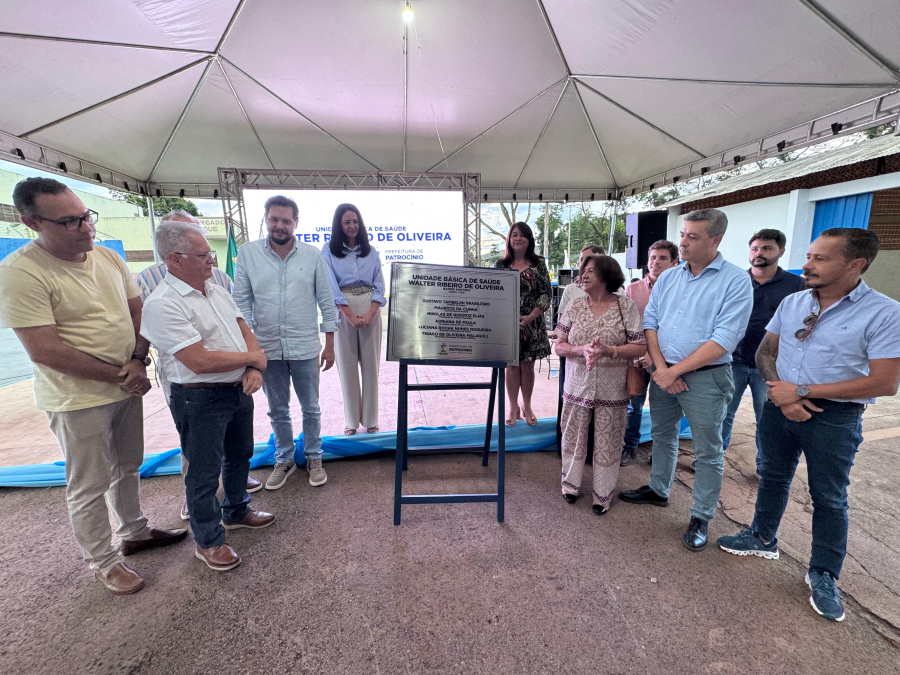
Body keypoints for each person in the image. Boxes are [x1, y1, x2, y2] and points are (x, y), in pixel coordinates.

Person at [0, 177, 186, 595]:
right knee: (88, 482)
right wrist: (122, 374)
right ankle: (103, 560)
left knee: (127, 465)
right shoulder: (21, 272)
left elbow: (139, 313)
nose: (85, 227)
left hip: (126, 385)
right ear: (32, 222)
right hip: (76, 398)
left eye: (86, 216)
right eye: (69, 221)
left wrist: (138, 360)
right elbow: (45, 350)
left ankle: (134, 531)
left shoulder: (106, 257)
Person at [718, 228, 900, 623]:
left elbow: (885, 382)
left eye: (820, 258)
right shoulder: (795, 299)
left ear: (856, 265)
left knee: (829, 497)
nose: (807, 264)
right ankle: (762, 537)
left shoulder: (885, 312)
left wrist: (801, 391)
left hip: (834, 417)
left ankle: (823, 573)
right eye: (810, 255)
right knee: (773, 476)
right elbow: (767, 350)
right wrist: (783, 393)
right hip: (779, 404)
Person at [141, 218, 276, 572]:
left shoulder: (215, 289)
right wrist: (254, 358)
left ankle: (236, 510)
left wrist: (253, 368)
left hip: (237, 389)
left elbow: (243, 329)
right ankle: (209, 540)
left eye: (210, 254)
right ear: (174, 259)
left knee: (240, 455)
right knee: (202, 472)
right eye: (202, 255)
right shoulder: (163, 303)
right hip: (198, 398)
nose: (211, 261)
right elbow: (198, 361)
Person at [620, 208, 752, 553]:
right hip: (665, 371)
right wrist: (663, 368)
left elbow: (724, 338)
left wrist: (672, 372)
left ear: (716, 240)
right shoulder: (670, 278)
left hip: (706, 378)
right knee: (663, 435)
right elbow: (651, 323)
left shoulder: (736, 281)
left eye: (693, 237)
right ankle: (659, 490)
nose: (684, 242)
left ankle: (701, 515)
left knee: (708, 451)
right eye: (683, 235)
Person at [234, 195, 338, 490]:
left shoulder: (312, 255)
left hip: (305, 345)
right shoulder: (248, 254)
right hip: (266, 348)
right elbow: (240, 303)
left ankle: (314, 456)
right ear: (266, 219)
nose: (280, 226)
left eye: (286, 220)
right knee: (277, 409)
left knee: (311, 407)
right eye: (274, 219)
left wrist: (329, 343)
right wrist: (250, 350)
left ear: (296, 223)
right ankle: (284, 458)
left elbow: (326, 301)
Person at [554, 255, 646, 513]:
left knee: (609, 439)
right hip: (576, 385)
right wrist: (581, 348)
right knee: (572, 435)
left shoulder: (625, 306)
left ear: (606, 276)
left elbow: (640, 345)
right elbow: (559, 345)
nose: (583, 275)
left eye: (590, 271)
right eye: (583, 270)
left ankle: (602, 495)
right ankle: (570, 485)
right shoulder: (574, 305)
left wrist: (610, 350)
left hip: (613, 386)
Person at [720, 229, 806, 476]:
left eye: (766, 248)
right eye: (755, 249)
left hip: (770, 365)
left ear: (781, 251)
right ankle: (714, 458)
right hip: (732, 360)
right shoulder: (736, 281)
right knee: (724, 413)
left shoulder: (796, 286)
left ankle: (764, 465)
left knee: (767, 418)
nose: (759, 253)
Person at [321, 204, 386, 435]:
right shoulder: (328, 251)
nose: (352, 226)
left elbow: (379, 285)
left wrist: (370, 313)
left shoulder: (371, 251)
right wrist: (348, 314)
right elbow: (330, 285)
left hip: (370, 306)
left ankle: (371, 420)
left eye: (355, 221)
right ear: (339, 224)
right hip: (343, 309)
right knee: (347, 368)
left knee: (371, 366)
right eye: (347, 222)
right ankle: (351, 421)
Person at [620, 240, 680, 466]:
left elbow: (677, 328)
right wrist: (640, 355)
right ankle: (629, 446)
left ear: (675, 262)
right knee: (633, 406)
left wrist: (656, 357)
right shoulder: (632, 290)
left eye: (662, 258)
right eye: (653, 257)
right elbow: (626, 326)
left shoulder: (681, 290)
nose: (656, 262)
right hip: (637, 360)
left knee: (664, 409)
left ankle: (661, 451)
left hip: (669, 361)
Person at [495, 222, 552, 426]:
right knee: (511, 367)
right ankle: (512, 406)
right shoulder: (500, 265)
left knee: (527, 366)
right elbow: (495, 296)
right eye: (514, 235)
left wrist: (530, 317)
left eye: (523, 235)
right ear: (509, 239)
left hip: (533, 324)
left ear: (529, 239)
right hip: (507, 325)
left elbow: (546, 294)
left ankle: (527, 405)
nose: (518, 238)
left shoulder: (539, 264)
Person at [557, 245, 606, 319]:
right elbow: (561, 322)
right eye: (581, 260)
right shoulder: (571, 289)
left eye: (588, 259)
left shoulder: (617, 292)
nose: (583, 263)